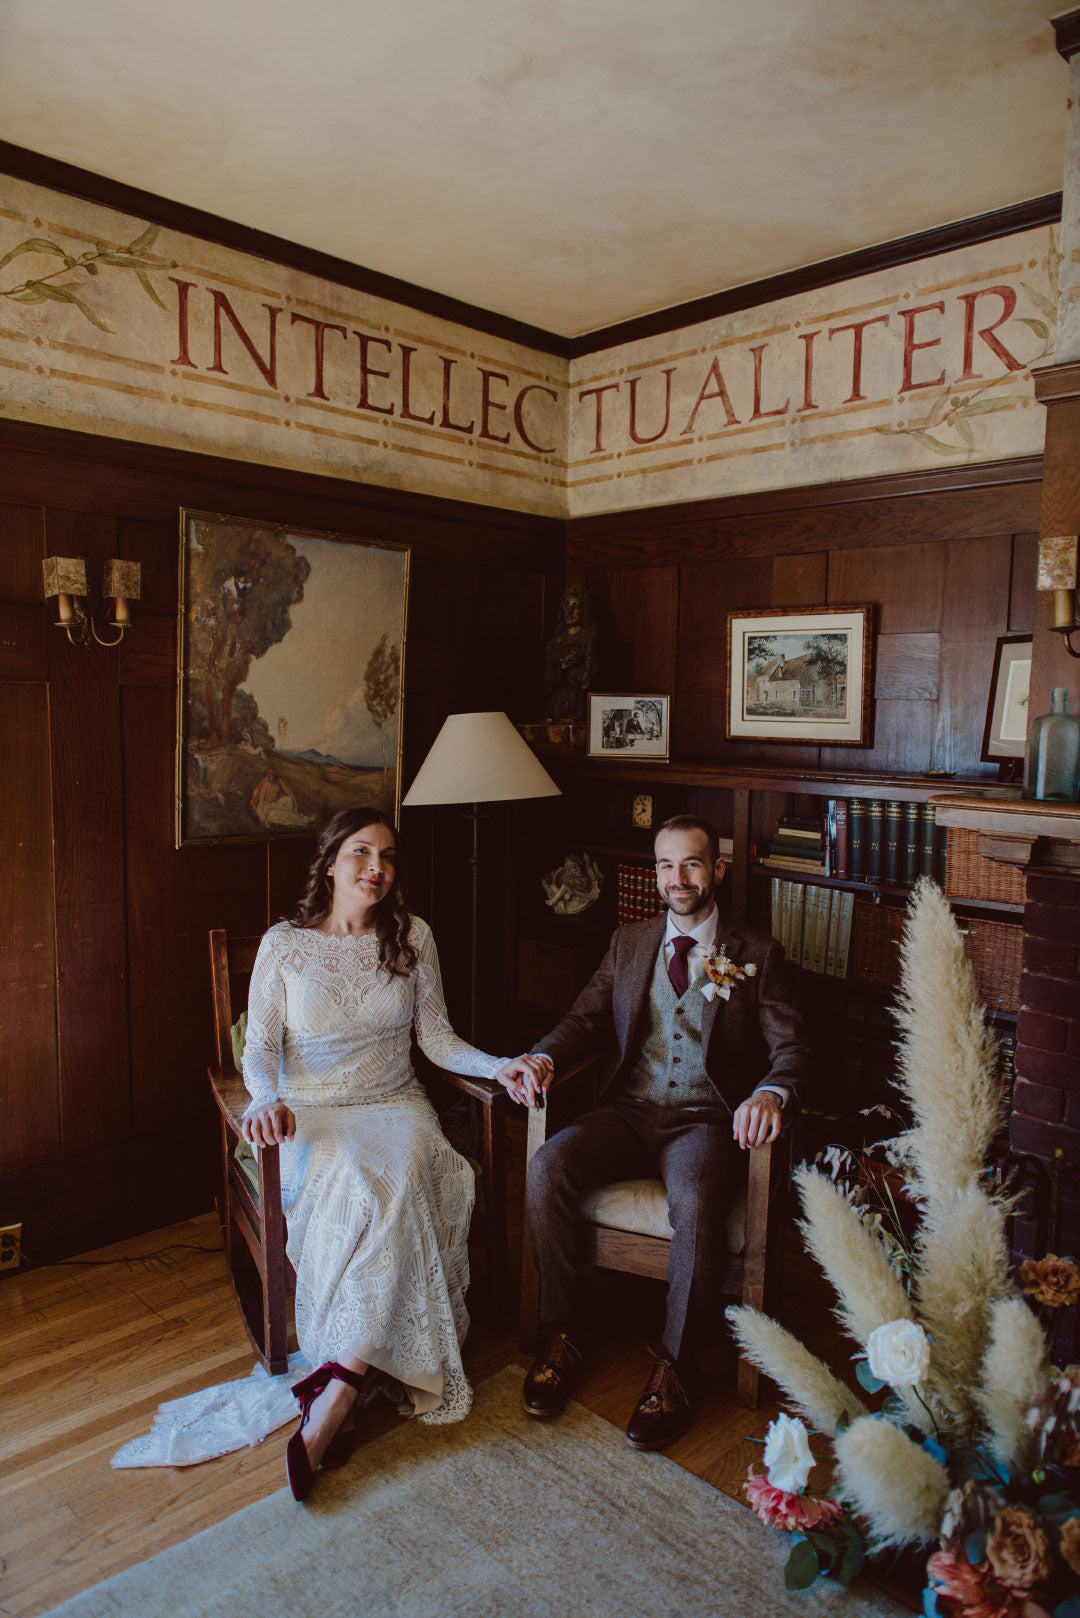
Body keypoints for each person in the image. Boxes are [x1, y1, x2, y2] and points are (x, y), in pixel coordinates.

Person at [241, 806, 534, 1501]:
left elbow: (438, 1041)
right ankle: (350, 1376)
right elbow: (260, 1048)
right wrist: (262, 1100)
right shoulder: (284, 946)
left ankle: (337, 1388)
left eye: (389, 856)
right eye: (361, 853)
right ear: (331, 862)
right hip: (312, 1114)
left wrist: (502, 1066)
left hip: (394, 1105)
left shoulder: (413, 938)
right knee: (361, 1189)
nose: (377, 868)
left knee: (402, 1174)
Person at [494, 814, 811, 1452]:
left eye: (692, 864)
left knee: (695, 1196)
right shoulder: (629, 941)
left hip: (704, 1120)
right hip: (628, 1111)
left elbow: (793, 1048)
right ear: (655, 870)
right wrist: (542, 1057)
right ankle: (562, 1333)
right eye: (666, 865)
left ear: (717, 868)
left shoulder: (756, 954)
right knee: (549, 1163)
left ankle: (675, 1365)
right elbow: (583, 1019)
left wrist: (770, 1094)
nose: (678, 879)